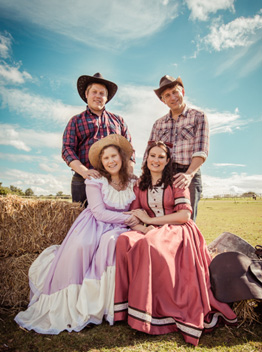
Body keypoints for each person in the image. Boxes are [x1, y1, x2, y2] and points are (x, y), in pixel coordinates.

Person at [114, 141, 237, 346]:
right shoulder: (139, 185)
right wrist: (144, 228)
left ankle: (153, 310)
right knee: (123, 240)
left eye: (161, 157)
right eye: (153, 156)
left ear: (168, 160)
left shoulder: (176, 182)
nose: (156, 160)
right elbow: (135, 215)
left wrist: (151, 222)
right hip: (150, 228)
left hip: (178, 229)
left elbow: (184, 215)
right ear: (146, 158)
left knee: (150, 244)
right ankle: (125, 307)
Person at [15, 134, 139, 334]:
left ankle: (110, 305)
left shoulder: (133, 181)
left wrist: (134, 220)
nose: (110, 161)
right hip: (95, 224)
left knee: (114, 246)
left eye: (114, 156)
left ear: (122, 158)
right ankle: (77, 303)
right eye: (105, 158)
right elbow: (98, 212)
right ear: (101, 163)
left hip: (118, 228)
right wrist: (128, 218)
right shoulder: (95, 181)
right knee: (83, 246)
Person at [62, 72, 134, 206]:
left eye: (102, 93)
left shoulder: (119, 121)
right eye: (94, 92)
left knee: (115, 220)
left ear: (106, 98)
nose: (98, 96)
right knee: (82, 219)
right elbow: (67, 149)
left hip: (115, 180)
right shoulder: (76, 120)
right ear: (86, 95)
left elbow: (130, 150)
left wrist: (128, 174)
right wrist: (84, 172)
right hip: (84, 179)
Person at [145, 75, 209, 221]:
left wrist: (189, 174)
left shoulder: (198, 117)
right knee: (164, 218)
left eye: (175, 92)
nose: (172, 97)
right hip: (163, 174)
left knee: (187, 219)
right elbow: (148, 153)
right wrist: (145, 176)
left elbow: (201, 150)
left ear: (183, 92)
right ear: (163, 100)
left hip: (189, 173)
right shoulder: (158, 124)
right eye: (167, 95)